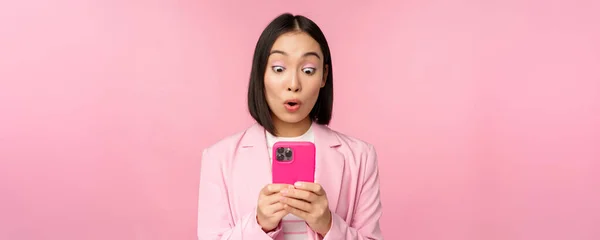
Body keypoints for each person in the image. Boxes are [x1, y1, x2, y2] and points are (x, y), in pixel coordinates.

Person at [197, 13, 383, 240]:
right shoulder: (219, 158)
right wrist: (259, 225)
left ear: (324, 76)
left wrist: (328, 225)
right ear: (260, 73)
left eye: (308, 70)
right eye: (278, 68)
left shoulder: (361, 157)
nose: (293, 84)